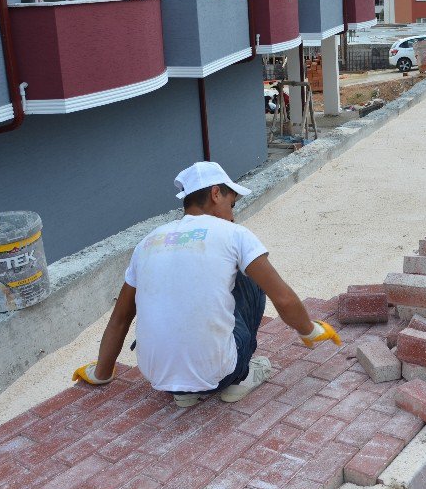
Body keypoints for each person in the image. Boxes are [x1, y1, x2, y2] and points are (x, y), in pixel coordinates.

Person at [71, 162, 341, 407]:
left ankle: (185, 392)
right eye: (231, 205)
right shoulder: (234, 234)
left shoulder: (148, 241)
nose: (232, 216)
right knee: (253, 276)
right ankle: (241, 378)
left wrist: (101, 373)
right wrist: (309, 331)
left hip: (158, 377)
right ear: (215, 194)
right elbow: (282, 299)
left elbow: (120, 318)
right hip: (220, 372)